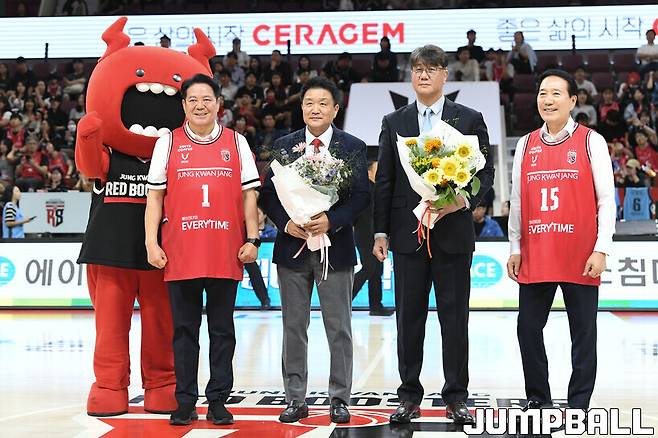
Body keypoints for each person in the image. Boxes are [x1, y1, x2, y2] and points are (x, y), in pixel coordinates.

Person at [373, 45, 494, 425]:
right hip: (408, 235)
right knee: (408, 320)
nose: (423, 75)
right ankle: (409, 396)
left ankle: (456, 396)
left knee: (454, 320)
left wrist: (462, 200)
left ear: (445, 75)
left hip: (453, 233)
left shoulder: (469, 118)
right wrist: (380, 231)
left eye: (431, 69)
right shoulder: (394, 121)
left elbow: (485, 172)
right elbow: (386, 181)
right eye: (418, 69)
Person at [145, 73, 260, 426]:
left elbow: (249, 195)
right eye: (193, 99)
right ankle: (185, 401)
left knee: (222, 332)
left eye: (207, 99)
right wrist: (151, 242)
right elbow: (155, 197)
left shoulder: (237, 142)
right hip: (181, 253)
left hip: (226, 251)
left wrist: (253, 238)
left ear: (219, 104)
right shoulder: (168, 142)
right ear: (183, 105)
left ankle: (218, 400)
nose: (200, 105)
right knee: (184, 331)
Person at [259, 76, 369, 424]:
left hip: (334, 249)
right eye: (309, 103)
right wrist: (286, 223)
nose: (315, 109)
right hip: (292, 249)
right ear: (301, 107)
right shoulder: (284, 146)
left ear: (335, 109)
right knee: (293, 327)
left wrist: (331, 220)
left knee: (339, 327)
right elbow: (268, 195)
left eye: (323, 103)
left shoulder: (352, 147)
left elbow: (361, 196)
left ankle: (339, 398)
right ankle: (295, 398)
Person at [507, 69, 616, 415]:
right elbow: (517, 201)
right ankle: (538, 397)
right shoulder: (525, 144)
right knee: (527, 329)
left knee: (583, 334)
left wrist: (601, 248)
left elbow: (606, 200)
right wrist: (514, 247)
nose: (548, 100)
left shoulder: (591, 141)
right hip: (536, 252)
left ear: (572, 101)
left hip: (580, 253)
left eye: (556, 93)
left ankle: (579, 403)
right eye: (543, 93)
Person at [352, 157, 392, 316]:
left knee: (377, 270)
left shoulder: (376, 189)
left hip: (375, 234)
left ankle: (376, 306)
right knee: (369, 267)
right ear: (369, 173)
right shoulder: (364, 190)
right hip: (364, 234)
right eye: (377, 169)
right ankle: (345, 299)